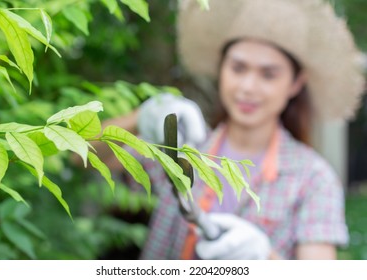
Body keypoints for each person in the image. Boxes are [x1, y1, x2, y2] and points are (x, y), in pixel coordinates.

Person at [97, 0, 365, 259]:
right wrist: (145, 114)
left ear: (295, 84)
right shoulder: (182, 146)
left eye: (268, 74)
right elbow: (80, 155)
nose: (248, 87)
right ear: (221, 69)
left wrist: (265, 258)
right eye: (238, 68)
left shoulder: (312, 179)